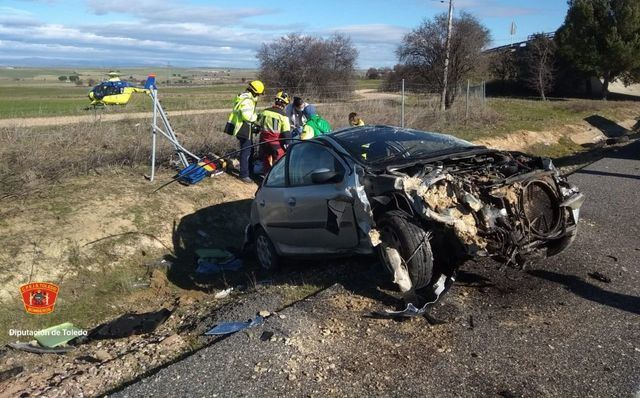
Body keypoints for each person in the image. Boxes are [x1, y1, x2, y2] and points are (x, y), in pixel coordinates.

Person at [226, 80, 264, 183]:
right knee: (246, 152)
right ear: (255, 92)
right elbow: (247, 116)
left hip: (242, 127)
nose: (259, 96)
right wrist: (257, 116)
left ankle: (248, 171)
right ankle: (244, 175)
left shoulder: (243, 96)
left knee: (249, 150)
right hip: (243, 128)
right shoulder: (247, 100)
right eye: (259, 94)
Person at [257, 91, 291, 173]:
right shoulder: (283, 116)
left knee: (266, 159)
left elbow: (259, 124)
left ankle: (266, 178)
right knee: (279, 161)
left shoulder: (265, 111)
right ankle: (276, 179)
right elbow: (286, 133)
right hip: (275, 143)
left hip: (263, 141)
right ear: (283, 104)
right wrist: (288, 145)